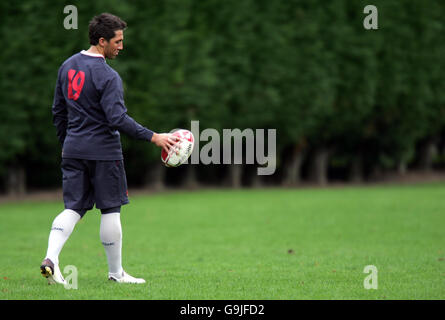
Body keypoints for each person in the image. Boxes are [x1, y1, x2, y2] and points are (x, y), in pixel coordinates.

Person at [40, 13, 179, 285]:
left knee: (73, 208)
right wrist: (155, 137)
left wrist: (66, 144)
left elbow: (58, 111)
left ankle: (51, 259)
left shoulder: (67, 66)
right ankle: (116, 273)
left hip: (73, 149)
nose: (121, 46)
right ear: (101, 41)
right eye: (117, 41)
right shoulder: (108, 76)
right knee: (111, 209)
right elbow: (117, 119)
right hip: (104, 153)